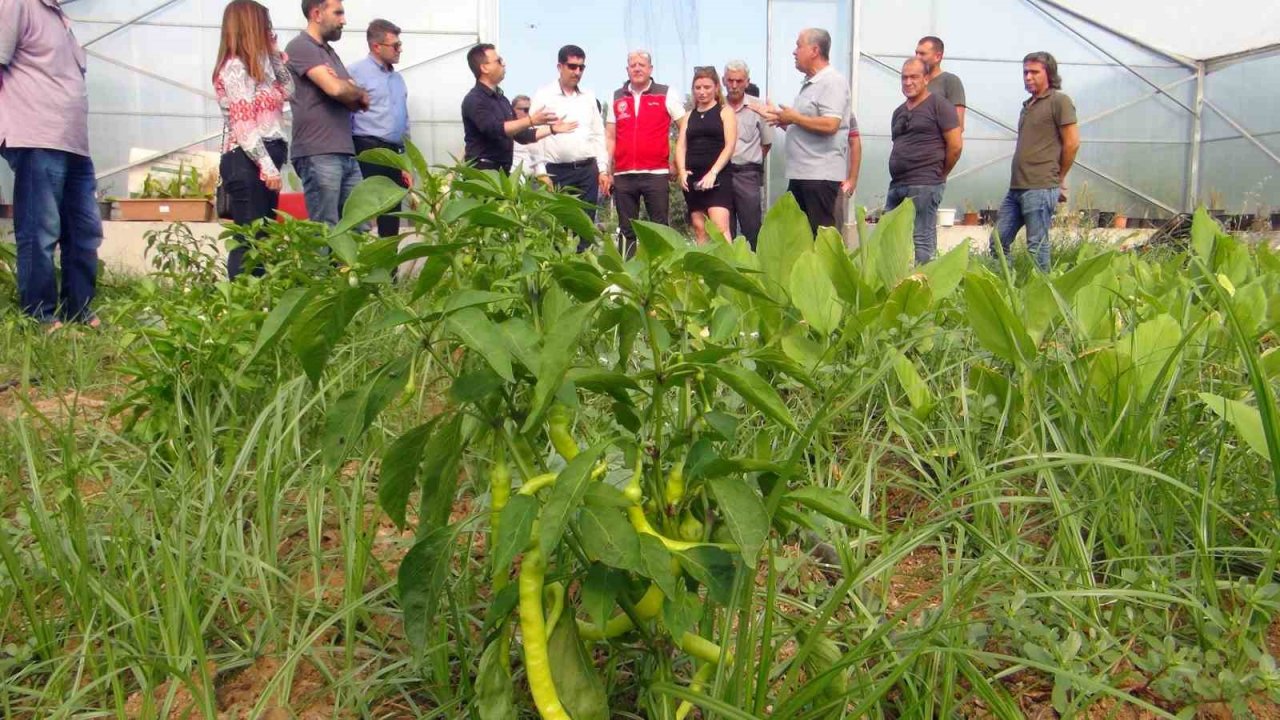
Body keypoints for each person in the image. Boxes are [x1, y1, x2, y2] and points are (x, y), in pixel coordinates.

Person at [0, 0, 103, 327]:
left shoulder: (59, 16)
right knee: (40, 230)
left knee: (85, 231)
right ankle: (39, 316)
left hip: (73, 142)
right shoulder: (18, 3)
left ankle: (79, 309)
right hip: (36, 135)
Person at [213, 0, 294, 279]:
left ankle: (257, 308)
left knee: (263, 238)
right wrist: (267, 167)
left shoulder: (260, 67)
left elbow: (289, 89)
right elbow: (244, 124)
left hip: (260, 159)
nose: (270, 30)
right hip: (248, 161)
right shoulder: (235, 67)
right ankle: (242, 307)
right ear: (251, 26)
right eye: (266, 25)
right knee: (250, 241)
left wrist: (273, 53)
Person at [753, 29, 849, 235]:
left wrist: (794, 117)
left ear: (814, 50)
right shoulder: (809, 84)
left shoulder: (832, 82)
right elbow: (806, 126)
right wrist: (780, 118)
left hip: (820, 176)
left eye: (798, 46)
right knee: (797, 237)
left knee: (820, 238)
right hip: (802, 174)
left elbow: (831, 124)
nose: (794, 52)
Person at [991, 51, 1079, 271]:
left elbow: (1072, 143)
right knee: (998, 242)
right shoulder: (1028, 105)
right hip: (1017, 187)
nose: (1028, 77)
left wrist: (1059, 178)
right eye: (1025, 72)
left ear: (1048, 73)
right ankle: (1008, 286)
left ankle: (1042, 292)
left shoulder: (1059, 101)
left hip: (1040, 186)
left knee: (1036, 246)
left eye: (1034, 72)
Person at [285, 0, 369, 227]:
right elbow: (336, 89)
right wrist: (341, 86)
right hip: (318, 152)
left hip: (345, 152)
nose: (344, 20)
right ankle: (324, 265)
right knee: (325, 229)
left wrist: (345, 88)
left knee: (359, 225)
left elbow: (358, 102)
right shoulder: (300, 46)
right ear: (316, 14)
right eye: (338, 13)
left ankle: (348, 266)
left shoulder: (330, 53)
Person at [606, 50, 687, 256]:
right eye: (633, 65)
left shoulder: (665, 93)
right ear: (627, 70)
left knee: (660, 228)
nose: (637, 68)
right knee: (626, 229)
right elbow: (610, 136)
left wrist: (677, 163)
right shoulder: (616, 96)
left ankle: (663, 275)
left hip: (656, 173)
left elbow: (685, 125)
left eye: (642, 64)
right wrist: (607, 171)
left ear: (651, 69)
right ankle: (628, 278)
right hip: (624, 174)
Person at [884, 58, 962, 264]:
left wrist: (940, 173)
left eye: (914, 77)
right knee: (887, 237)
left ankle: (926, 285)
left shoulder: (940, 105)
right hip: (897, 184)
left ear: (926, 79)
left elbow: (955, 146)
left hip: (925, 182)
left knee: (922, 238)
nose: (908, 82)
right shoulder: (898, 112)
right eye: (904, 78)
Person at [530, 45, 610, 228]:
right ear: (560, 67)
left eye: (581, 67)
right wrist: (540, 172)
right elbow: (534, 136)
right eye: (572, 66)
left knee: (585, 228)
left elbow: (598, 135)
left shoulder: (588, 96)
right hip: (556, 172)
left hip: (587, 172)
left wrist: (603, 169)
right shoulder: (544, 95)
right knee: (555, 228)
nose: (577, 72)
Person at [461, 44, 569, 171]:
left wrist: (552, 129)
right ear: (484, 68)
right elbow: (494, 129)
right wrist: (531, 121)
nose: (503, 64)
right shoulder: (474, 99)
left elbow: (521, 135)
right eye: (499, 61)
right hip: (482, 172)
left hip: (502, 171)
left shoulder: (502, 100)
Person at [349, 18, 412, 239]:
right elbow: (346, 115)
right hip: (368, 150)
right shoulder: (355, 73)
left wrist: (405, 160)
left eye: (400, 45)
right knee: (365, 209)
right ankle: (362, 265)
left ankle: (390, 268)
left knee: (392, 211)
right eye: (395, 46)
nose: (399, 50)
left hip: (393, 153)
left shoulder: (398, 79)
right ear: (377, 46)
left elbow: (404, 121)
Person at [677, 67, 736, 244]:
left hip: (717, 177)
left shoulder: (725, 112)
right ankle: (703, 270)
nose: (702, 92)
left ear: (716, 88)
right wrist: (681, 171)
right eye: (698, 87)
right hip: (693, 178)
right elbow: (680, 146)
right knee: (699, 228)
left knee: (719, 228)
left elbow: (730, 145)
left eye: (707, 87)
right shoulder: (688, 116)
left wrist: (714, 172)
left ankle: (729, 268)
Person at [722, 60, 771, 247]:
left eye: (739, 81)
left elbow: (766, 144)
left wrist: (750, 160)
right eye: (730, 80)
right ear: (724, 80)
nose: (734, 86)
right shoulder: (716, 107)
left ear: (747, 82)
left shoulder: (758, 107)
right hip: (722, 174)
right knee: (724, 230)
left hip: (748, 174)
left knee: (752, 228)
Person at [916, 36, 966, 132]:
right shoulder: (916, 82)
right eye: (916, 53)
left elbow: (958, 124)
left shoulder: (950, 81)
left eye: (922, 54)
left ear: (938, 57)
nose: (917, 57)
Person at [510, 95, 537, 176]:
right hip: (514, 178)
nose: (528, 113)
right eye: (525, 110)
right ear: (513, 109)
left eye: (530, 110)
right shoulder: (508, 128)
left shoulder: (533, 128)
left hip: (533, 179)